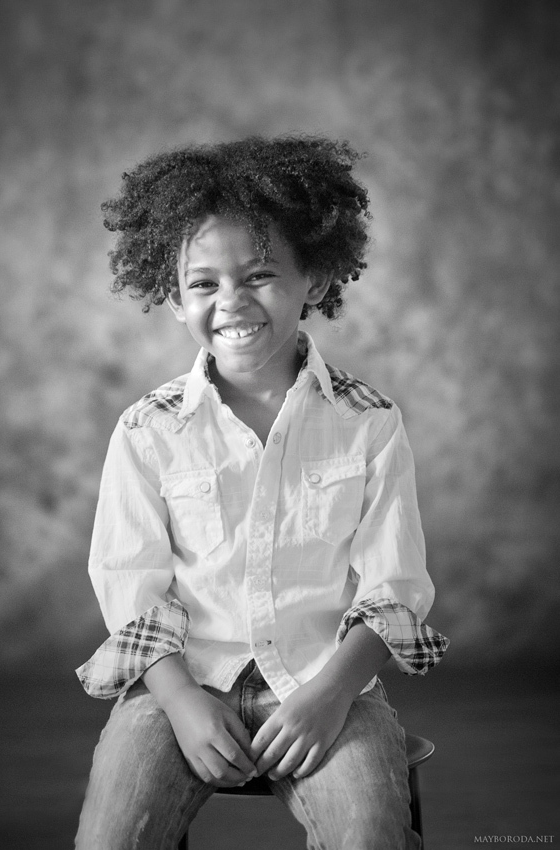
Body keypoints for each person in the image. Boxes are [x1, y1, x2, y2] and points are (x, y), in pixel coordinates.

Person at [74, 136, 449, 849]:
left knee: (369, 833)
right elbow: (129, 582)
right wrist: (181, 700)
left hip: (325, 683)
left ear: (314, 277)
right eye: (203, 284)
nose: (231, 303)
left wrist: (332, 694)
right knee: (110, 839)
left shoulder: (367, 422)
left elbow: (393, 585)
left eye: (260, 275)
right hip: (183, 679)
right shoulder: (148, 429)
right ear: (173, 297)